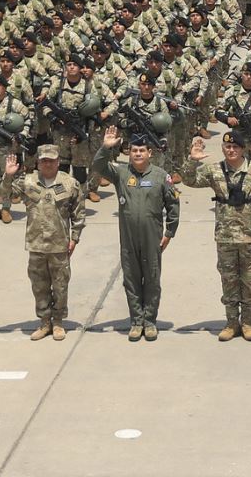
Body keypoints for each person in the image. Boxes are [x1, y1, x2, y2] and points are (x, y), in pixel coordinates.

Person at [182, 131, 251, 341]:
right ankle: (232, 323)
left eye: (235, 147)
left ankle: (248, 322)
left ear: (243, 149)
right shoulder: (215, 170)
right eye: (227, 147)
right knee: (229, 280)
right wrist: (192, 160)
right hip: (225, 236)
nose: (231, 150)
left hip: (250, 235)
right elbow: (189, 180)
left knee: (249, 281)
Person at [91, 125, 178, 342]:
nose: (138, 154)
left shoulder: (161, 176)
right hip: (128, 236)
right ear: (129, 153)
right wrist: (105, 147)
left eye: (142, 150)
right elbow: (98, 166)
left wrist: (169, 232)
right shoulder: (121, 173)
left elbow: (173, 205)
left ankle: (149, 322)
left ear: (150, 153)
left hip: (152, 236)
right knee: (130, 279)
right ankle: (136, 321)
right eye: (134, 151)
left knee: (151, 278)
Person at [3, 143, 86, 341]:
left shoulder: (70, 183)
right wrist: (8, 176)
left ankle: (58, 322)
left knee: (60, 285)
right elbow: (5, 195)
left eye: (51, 160)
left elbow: (79, 213)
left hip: (59, 244)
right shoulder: (28, 181)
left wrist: (75, 238)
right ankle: (44, 321)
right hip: (36, 244)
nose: (47, 164)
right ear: (38, 162)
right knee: (39, 285)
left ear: (58, 161)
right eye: (44, 160)